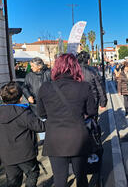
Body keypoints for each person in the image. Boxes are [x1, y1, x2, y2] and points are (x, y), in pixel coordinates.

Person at [37, 54, 98, 187]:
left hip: (55, 138)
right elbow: (92, 111)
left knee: (59, 180)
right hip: (78, 138)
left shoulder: (45, 87)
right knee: (81, 177)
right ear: (75, 67)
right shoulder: (83, 87)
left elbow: (41, 113)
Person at [0, 82, 45, 187]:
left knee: (12, 181)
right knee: (32, 173)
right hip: (26, 154)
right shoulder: (24, 112)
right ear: (20, 98)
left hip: (7, 155)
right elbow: (40, 126)